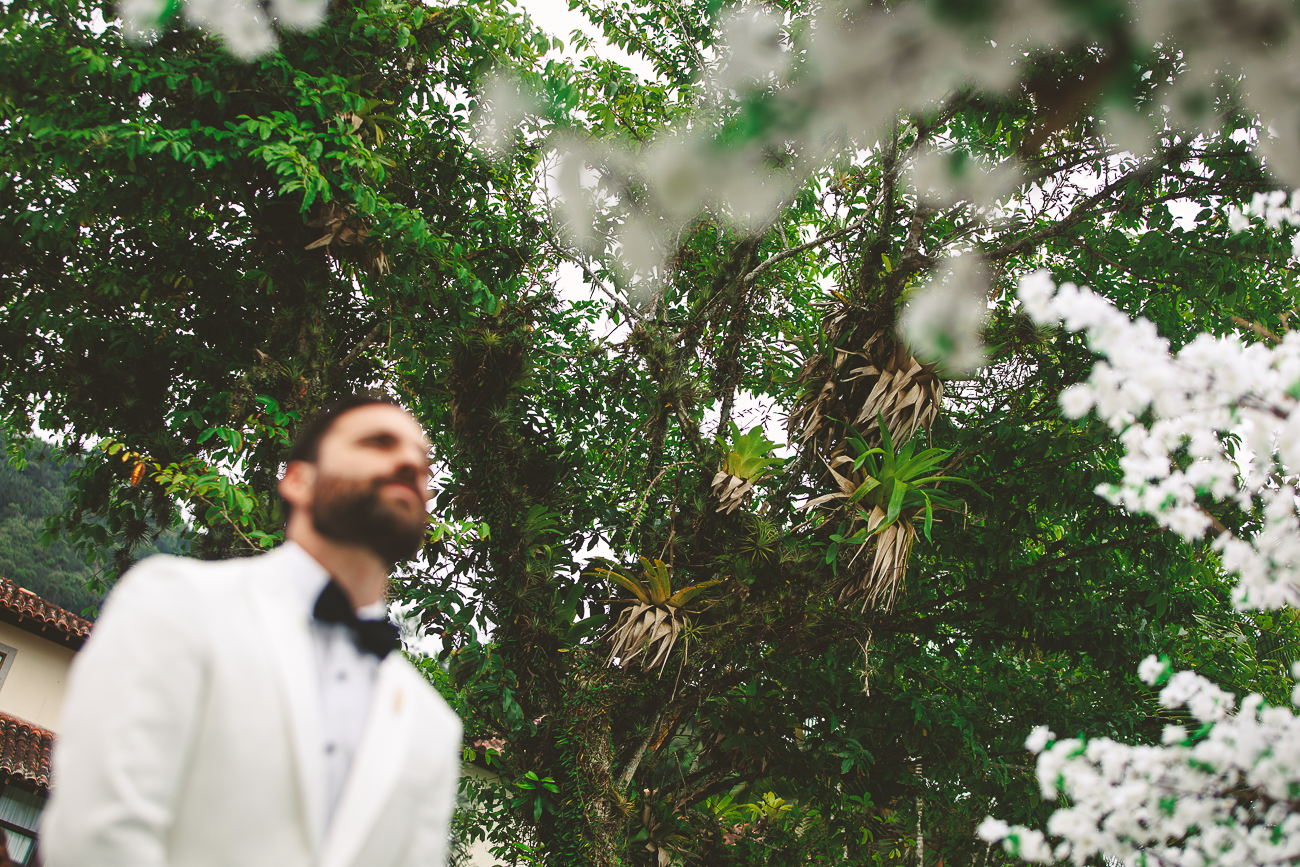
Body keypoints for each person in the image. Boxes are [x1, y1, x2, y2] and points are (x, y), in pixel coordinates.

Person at [40, 396, 462, 867]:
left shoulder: (434, 726)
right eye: (377, 442)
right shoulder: (176, 603)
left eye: (423, 462)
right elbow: (98, 837)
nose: (409, 462)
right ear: (298, 480)